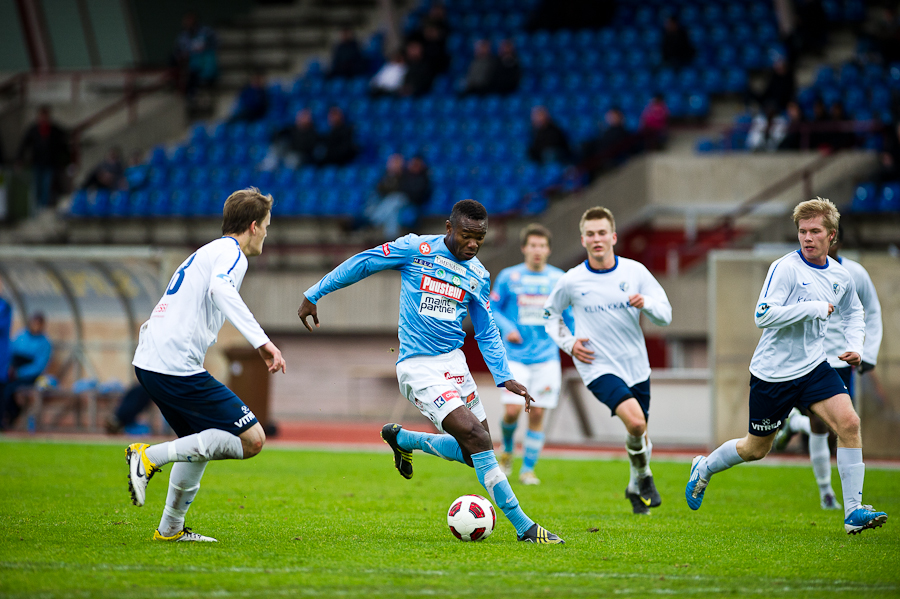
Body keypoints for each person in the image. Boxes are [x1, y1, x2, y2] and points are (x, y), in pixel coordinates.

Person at [297, 199, 564, 544]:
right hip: (418, 367)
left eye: (479, 239)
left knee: (474, 454)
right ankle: (525, 527)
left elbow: (485, 330)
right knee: (479, 439)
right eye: (466, 236)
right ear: (449, 227)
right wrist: (315, 293)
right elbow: (365, 263)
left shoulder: (479, 275)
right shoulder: (415, 248)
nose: (472, 244)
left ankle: (403, 439)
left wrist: (505, 376)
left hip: (455, 364)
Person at [685, 198, 888, 536]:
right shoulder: (786, 268)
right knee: (755, 449)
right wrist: (811, 308)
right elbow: (763, 314)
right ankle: (703, 468)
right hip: (773, 373)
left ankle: (853, 511)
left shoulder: (842, 275)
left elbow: (854, 313)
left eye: (815, 231)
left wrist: (855, 345)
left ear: (832, 235)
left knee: (849, 423)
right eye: (802, 231)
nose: (807, 238)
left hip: (814, 367)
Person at [125, 188, 286, 542]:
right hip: (172, 362)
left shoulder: (207, 251)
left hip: (152, 359)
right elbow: (221, 290)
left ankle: (170, 529)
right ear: (255, 226)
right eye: (268, 227)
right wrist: (263, 342)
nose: (266, 235)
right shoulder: (232, 254)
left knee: (197, 441)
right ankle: (147, 456)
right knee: (252, 439)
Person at [543, 207, 672, 515]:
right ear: (583, 239)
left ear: (613, 236)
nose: (597, 238)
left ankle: (632, 487)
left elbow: (665, 315)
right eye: (590, 234)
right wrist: (569, 343)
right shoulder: (572, 280)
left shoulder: (635, 272)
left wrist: (647, 304)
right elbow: (550, 315)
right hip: (596, 364)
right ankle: (643, 476)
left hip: (635, 364)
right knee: (637, 422)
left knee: (639, 434)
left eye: (602, 233)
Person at [771, 227, 882, 510]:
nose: (813, 241)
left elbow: (870, 311)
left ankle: (794, 424)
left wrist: (866, 351)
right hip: (806, 360)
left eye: (820, 235)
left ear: (835, 239)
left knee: (841, 427)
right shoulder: (794, 270)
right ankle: (826, 493)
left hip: (840, 361)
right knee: (821, 426)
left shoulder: (852, 274)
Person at [490, 224, 570, 485]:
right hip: (514, 356)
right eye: (532, 245)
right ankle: (508, 450)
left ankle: (528, 470)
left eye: (542, 246)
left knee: (537, 413)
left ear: (548, 250)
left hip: (546, 357)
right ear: (524, 248)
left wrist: (575, 339)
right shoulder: (508, 277)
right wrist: (508, 327)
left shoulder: (559, 279)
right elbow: (492, 308)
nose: (537, 250)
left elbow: (568, 315)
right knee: (512, 411)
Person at [0, 312, 53, 430]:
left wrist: (19, 372)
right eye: (34, 323)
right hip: (13, 371)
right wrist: (9, 369)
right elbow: (10, 352)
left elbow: (39, 366)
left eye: (39, 324)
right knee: (3, 387)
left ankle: (9, 417)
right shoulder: (21, 336)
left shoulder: (45, 343)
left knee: (10, 390)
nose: (36, 326)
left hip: (28, 376)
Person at [16, 105, 69, 210]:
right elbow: (24, 145)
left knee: (46, 187)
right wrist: (19, 159)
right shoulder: (34, 130)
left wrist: (66, 161)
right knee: (36, 187)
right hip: (36, 163)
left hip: (50, 163)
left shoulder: (54, 131)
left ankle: (43, 208)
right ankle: (35, 208)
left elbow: (64, 146)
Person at [173, 12, 218, 110]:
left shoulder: (206, 31)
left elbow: (215, 43)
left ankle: (202, 96)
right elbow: (178, 51)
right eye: (186, 21)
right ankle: (189, 97)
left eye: (189, 20)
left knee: (202, 76)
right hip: (193, 64)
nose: (187, 23)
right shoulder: (183, 35)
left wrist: (203, 50)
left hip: (206, 62)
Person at [580, 108, 629, 173]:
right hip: (599, 160)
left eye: (614, 116)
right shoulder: (605, 132)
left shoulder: (622, 133)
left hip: (611, 161)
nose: (611, 118)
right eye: (610, 116)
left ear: (620, 116)